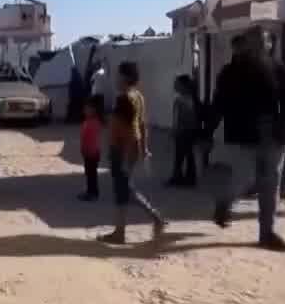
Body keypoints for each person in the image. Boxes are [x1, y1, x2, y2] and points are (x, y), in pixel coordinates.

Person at [209, 30, 285, 251]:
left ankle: (267, 233)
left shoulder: (279, 69)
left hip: (274, 135)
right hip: (243, 135)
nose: (259, 45)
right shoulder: (231, 72)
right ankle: (225, 203)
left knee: (269, 184)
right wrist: (206, 131)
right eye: (254, 41)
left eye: (264, 41)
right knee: (245, 177)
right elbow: (219, 103)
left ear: (269, 44)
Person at [100, 60, 165, 245]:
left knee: (124, 190)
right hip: (129, 148)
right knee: (124, 189)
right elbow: (142, 125)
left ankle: (153, 218)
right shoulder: (137, 96)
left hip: (123, 149)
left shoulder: (125, 99)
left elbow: (127, 129)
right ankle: (122, 230)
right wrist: (144, 148)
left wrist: (125, 154)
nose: (115, 78)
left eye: (118, 75)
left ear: (125, 77)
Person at [168, 73, 202, 187]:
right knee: (189, 155)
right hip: (190, 131)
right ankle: (190, 178)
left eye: (176, 83)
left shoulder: (179, 100)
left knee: (179, 156)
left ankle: (177, 178)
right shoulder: (191, 98)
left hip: (182, 132)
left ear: (182, 85)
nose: (174, 85)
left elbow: (177, 119)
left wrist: (174, 131)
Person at [77, 94, 105, 201]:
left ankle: (92, 193)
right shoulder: (90, 121)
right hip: (91, 152)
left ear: (94, 110)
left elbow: (90, 139)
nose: (85, 110)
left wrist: (86, 149)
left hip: (91, 153)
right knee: (90, 173)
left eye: (87, 108)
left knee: (91, 174)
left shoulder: (92, 123)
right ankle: (91, 191)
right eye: (85, 108)